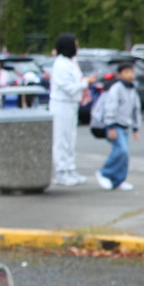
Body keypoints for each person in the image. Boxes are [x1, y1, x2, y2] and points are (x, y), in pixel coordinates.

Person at [50, 33, 98, 186]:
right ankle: (61, 172)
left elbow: (75, 82)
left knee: (70, 138)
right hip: (61, 104)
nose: (77, 48)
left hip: (71, 104)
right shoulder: (60, 64)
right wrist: (86, 83)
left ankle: (70, 169)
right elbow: (68, 87)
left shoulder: (71, 62)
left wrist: (85, 81)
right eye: (75, 45)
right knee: (61, 138)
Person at [95, 61, 142, 191]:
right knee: (121, 150)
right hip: (115, 125)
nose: (130, 75)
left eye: (131, 72)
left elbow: (136, 109)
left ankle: (118, 180)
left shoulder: (132, 89)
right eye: (126, 72)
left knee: (124, 154)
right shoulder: (116, 89)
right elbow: (111, 108)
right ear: (119, 74)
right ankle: (105, 173)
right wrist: (110, 126)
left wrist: (136, 128)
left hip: (125, 126)